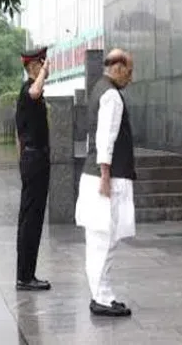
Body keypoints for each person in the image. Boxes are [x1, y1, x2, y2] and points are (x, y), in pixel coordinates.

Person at [75, 48, 135, 317]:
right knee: (106, 239)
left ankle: (101, 294)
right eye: (129, 71)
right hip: (106, 178)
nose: (130, 78)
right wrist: (106, 176)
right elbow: (104, 139)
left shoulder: (99, 87)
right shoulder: (111, 95)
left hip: (95, 175)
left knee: (97, 239)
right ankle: (102, 298)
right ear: (119, 68)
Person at [14, 46, 52, 292]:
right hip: (34, 159)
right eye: (42, 64)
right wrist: (42, 73)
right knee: (31, 220)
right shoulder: (28, 89)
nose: (46, 68)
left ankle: (27, 273)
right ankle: (25, 277)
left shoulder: (28, 92)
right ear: (33, 67)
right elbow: (36, 90)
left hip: (33, 160)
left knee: (32, 219)